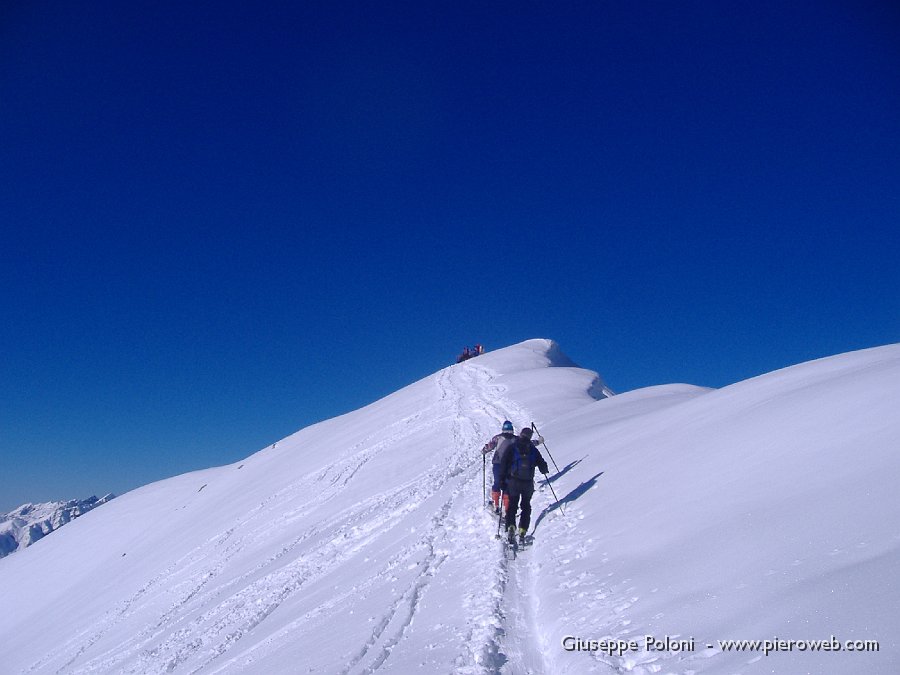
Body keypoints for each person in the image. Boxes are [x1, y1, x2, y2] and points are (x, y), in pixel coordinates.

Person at [499, 426, 549, 544]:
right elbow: (542, 463)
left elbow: (504, 463)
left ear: (521, 434)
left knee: (512, 505)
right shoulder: (533, 449)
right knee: (526, 506)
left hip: (514, 481)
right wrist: (544, 470)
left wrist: (502, 479)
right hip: (528, 483)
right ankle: (523, 529)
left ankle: (511, 526)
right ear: (530, 437)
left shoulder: (513, 447)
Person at [481, 421, 517, 513]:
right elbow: (528, 443)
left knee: (497, 482)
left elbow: (489, 447)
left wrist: (484, 450)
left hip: (498, 464)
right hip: (510, 465)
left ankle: (495, 505)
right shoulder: (516, 439)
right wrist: (538, 441)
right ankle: (506, 508)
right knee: (507, 485)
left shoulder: (497, 438)